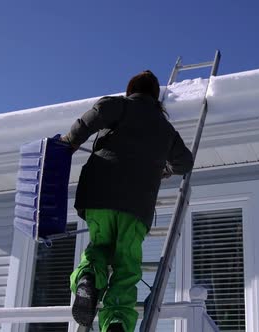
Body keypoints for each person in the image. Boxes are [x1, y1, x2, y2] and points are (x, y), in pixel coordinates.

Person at [60, 70, 193, 332]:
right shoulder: (165, 129)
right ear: (155, 97)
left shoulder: (119, 106)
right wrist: (164, 169)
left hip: (99, 194)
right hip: (136, 205)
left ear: (131, 89)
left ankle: (88, 280)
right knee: (126, 264)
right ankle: (118, 321)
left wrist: (69, 143)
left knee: (99, 246)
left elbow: (93, 116)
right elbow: (185, 162)